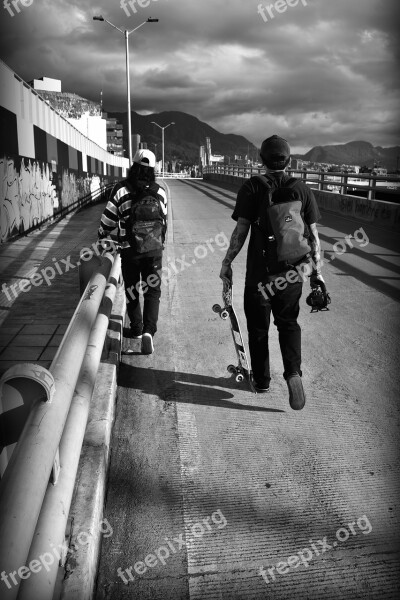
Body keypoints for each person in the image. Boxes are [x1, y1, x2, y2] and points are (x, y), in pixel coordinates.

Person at [220, 135, 324, 409]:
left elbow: (240, 231)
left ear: (261, 160)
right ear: (289, 161)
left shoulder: (252, 187)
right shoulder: (302, 189)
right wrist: (317, 274)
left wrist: (227, 262)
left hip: (259, 276)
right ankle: (292, 373)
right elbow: (313, 237)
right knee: (288, 323)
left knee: (258, 329)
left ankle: (263, 380)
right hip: (291, 274)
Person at [98, 149, 167, 355]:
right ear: (153, 169)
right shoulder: (160, 191)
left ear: (133, 166)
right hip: (153, 251)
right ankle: (149, 331)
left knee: (132, 289)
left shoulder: (121, 190)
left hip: (129, 250)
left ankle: (136, 329)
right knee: (153, 291)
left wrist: (102, 238)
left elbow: (107, 222)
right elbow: (163, 221)